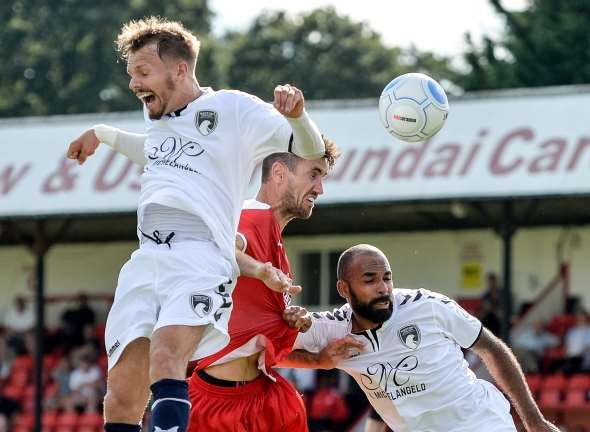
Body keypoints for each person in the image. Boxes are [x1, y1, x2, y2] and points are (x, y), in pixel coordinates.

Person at [66, 17, 325, 432]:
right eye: (131, 73)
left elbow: (310, 149)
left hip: (201, 256)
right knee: (120, 397)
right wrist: (105, 135)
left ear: (180, 69)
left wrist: (298, 116)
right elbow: (156, 151)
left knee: (168, 358)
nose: (134, 83)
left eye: (143, 72)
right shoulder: (157, 115)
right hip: (147, 258)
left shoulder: (234, 109)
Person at [281, 244, 560, 432]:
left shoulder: (428, 305)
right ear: (343, 288)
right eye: (370, 280)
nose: (383, 288)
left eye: (386, 278)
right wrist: (319, 361)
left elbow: (492, 349)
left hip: (479, 422)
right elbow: (266, 351)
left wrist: (534, 421)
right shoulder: (333, 330)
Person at [187, 142, 339, 431]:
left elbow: (252, 341)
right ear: (279, 173)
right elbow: (217, 248)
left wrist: (291, 323)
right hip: (214, 406)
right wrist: (259, 270)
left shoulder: (272, 238)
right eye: (314, 174)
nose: (320, 189)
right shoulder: (248, 217)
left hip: (266, 396)